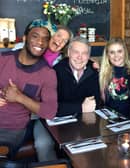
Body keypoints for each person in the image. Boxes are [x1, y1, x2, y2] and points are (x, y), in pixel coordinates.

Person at [0, 18, 58, 158]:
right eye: (35, 36)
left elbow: (50, 112)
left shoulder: (48, 73)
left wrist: (19, 97)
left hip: (12, 129)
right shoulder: (3, 59)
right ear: (25, 38)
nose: (40, 42)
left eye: (45, 39)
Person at [33, 25, 72, 162]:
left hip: (40, 115)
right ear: (50, 35)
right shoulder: (30, 50)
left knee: (43, 143)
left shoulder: (62, 63)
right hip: (17, 110)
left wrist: (92, 64)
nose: (60, 41)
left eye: (65, 41)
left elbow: (79, 60)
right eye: (59, 36)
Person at [53, 36, 101, 116]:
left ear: (89, 56)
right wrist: (80, 107)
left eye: (84, 53)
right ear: (68, 53)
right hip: (61, 125)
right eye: (76, 52)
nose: (80, 57)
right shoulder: (55, 72)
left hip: (88, 123)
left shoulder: (94, 71)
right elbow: (49, 107)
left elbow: (96, 103)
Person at [99, 38, 130, 118]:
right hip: (109, 122)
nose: (116, 56)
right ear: (107, 55)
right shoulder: (103, 74)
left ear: (125, 52)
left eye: (119, 51)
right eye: (112, 52)